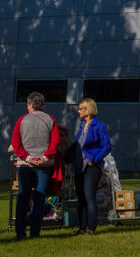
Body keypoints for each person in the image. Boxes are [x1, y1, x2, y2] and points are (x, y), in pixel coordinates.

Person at [10, 91, 61, 239]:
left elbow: (15, 142)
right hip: (45, 164)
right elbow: (55, 141)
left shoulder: (22, 120)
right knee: (40, 198)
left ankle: (20, 232)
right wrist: (45, 156)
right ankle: (35, 232)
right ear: (42, 105)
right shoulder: (50, 119)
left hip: (25, 164)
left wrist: (28, 157)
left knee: (23, 197)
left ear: (30, 105)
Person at [71, 98, 112, 235]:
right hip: (80, 165)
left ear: (87, 109)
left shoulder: (99, 126)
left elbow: (107, 146)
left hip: (91, 166)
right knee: (81, 198)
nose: (78, 111)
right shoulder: (82, 126)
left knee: (89, 197)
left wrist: (94, 159)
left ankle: (91, 228)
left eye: (80, 108)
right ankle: (82, 227)